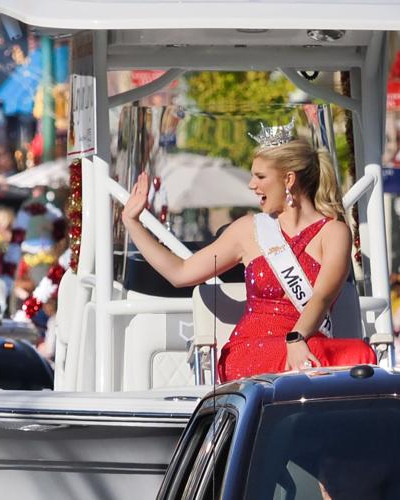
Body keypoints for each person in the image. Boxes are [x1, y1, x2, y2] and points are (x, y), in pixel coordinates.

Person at [122, 134, 376, 382]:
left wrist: (296, 338)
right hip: (251, 349)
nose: (251, 184)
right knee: (325, 360)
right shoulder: (248, 230)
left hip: (307, 342)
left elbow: (322, 296)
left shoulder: (334, 232)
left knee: (361, 354)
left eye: (260, 176)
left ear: (288, 179)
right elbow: (180, 273)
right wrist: (133, 223)